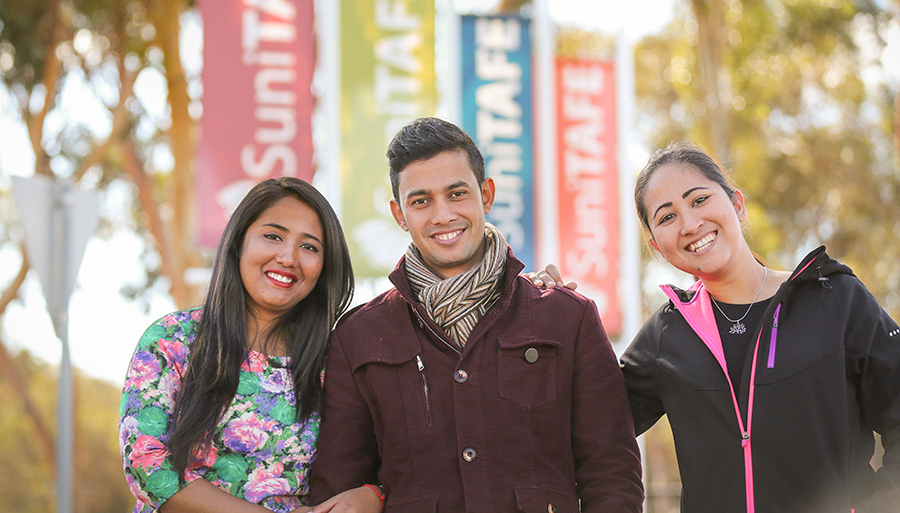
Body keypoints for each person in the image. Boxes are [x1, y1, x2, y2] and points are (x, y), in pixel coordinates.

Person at [308, 117, 644, 512]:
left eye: (457, 194)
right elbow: (338, 488)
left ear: (486, 195)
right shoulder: (358, 337)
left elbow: (611, 477)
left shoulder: (567, 319)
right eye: (421, 201)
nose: (442, 215)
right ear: (399, 215)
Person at [618, 143, 900, 512]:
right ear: (658, 246)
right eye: (667, 217)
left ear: (737, 204)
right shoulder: (665, 336)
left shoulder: (835, 299)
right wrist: (544, 308)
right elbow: (579, 422)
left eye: (699, 200)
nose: (689, 224)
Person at [119, 178, 383, 513]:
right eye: (273, 236)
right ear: (238, 242)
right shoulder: (174, 339)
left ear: (325, 267)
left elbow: (386, 457)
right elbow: (147, 467)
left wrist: (373, 494)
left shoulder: (335, 362)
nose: (288, 257)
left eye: (310, 247)